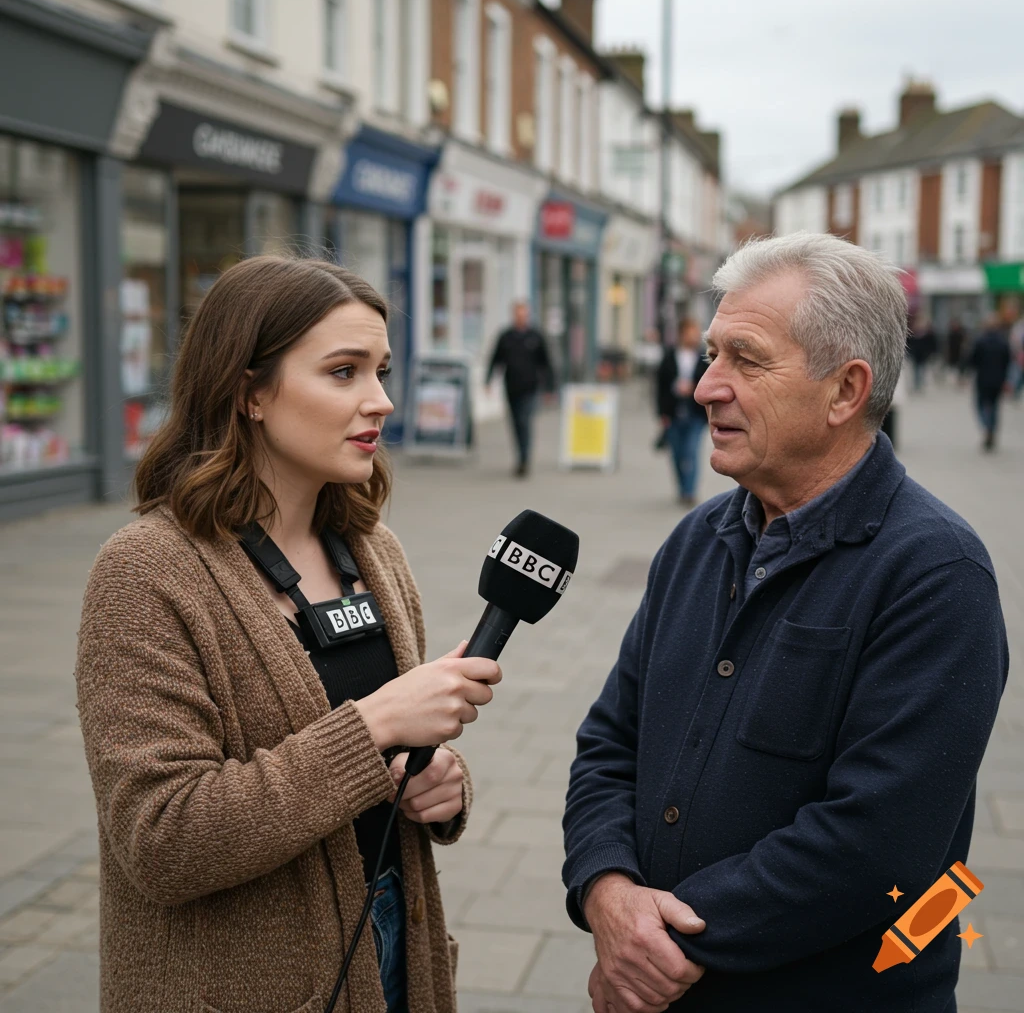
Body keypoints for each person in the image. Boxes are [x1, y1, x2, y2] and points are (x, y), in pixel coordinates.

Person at [563, 232, 1007, 1013]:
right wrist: (605, 889)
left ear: (845, 391)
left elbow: (876, 845)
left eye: (746, 359)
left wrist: (658, 944)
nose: (706, 387)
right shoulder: (697, 542)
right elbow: (609, 744)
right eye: (709, 355)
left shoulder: (936, 574)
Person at [76, 256, 502, 1013]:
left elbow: (379, 770)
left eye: (382, 370)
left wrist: (437, 783)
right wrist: (372, 728)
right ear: (250, 393)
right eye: (344, 372)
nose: (382, 401)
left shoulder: (375, 549)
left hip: (392, 951)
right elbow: (161, 840)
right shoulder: (147, 571)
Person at [486, 301, 554, 477]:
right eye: (518, 314)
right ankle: (520, 455)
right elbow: (495, 359)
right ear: (513, 315)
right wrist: (488, 380)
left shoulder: (535, 336)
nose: (521, 317)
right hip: (511, 387)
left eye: (524, 314)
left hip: (530, 388)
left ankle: (524, 459)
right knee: (515, 423)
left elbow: (545, 363)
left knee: (524, 421)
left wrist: (550, 388)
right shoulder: (506, 336)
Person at [656, 318, 709, 505]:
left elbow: (709, 382)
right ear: (681, 334)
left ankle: (689, 491)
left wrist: (692, 387)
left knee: (692, 451)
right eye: (690, 332)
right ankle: (681, 487)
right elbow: (659, 387)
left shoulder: (704, 357)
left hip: (695, 413)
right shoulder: (669, 357)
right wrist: (661, 413)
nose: (694, 337)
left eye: (696, 333)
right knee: (677, 454)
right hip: (673, 413)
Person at [965, 313, 1012, 451]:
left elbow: (972, 360)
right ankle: (991, 428)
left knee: (980, 405)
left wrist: (965, 374)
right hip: (998, 380)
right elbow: (1007, 361)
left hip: (983, 379)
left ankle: (986, 426)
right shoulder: (1003, 342)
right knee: (995, 406)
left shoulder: (980, 341)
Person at [907, 311, 937, 391]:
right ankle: (917, 384)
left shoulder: (928, 334)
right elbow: (909, 343)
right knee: (916, 369)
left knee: (922, 369)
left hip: (924, 354)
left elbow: (932, 344)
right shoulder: (913, 332)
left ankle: (921, 384)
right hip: (916, 354)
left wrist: (931, 352)